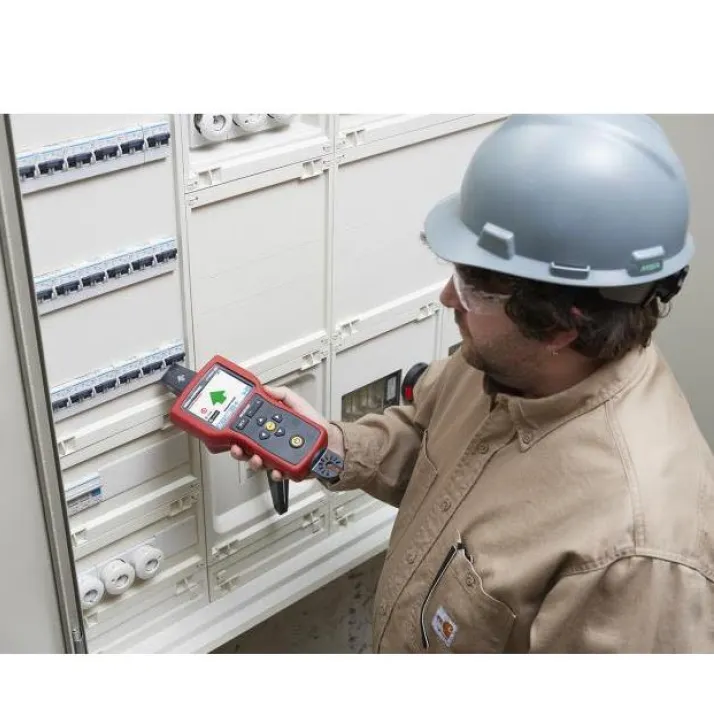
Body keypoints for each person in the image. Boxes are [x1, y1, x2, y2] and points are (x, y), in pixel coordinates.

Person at [232, 114, 714, 653]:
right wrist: (324, 448)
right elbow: (425, 438)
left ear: (561, 323)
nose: (447, 298)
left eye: (473, 288)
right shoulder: (503, 363)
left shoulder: (636, 558)